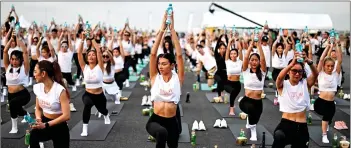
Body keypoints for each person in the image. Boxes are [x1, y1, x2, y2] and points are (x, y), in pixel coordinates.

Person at [146, 11, 184, 148]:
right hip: (155, 120)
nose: (160, 66)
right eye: (159, 64)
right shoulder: (155, 77)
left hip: (172, 121)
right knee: (161, 133)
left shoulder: (177, 79)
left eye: (164, 64)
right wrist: (162, 29)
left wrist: (172, 29)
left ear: (172, 65)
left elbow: (179, 55)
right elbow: (152, 54)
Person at [272, 52, 318, 148]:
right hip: (286, 124)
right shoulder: (283, 85)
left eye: (300, 71)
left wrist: (308, 62)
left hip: (301, 126)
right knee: (279, 136)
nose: (297, 74)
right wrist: (291, 64)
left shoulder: (305, 84)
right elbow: (280, 77)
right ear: (288, 71)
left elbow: (315, 74)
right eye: (294, 71)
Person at [29, 61, 70, 148]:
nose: (34, 74)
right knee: (33, 137)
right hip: (44, 121)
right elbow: (38, 108)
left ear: (43, 73)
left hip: (59, 126)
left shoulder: (60, 90)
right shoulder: (37, 87)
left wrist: (46, 125)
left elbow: (66, 116)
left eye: (35, 71)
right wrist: (38, 119)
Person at [77, 30, 110, 137]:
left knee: (103, 110)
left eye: (93, 55)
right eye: (89, 55)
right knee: (87, 104)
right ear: (87, 57)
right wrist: (82, 39)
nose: (91, 56)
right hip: (88, 94)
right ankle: (85, 128)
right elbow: (79, 54)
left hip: (99, 95)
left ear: (96, 57)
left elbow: (99, 51)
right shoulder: (84, 67)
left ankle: (106, 115)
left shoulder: (99, 66)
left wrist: (91, 38)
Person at [239, 34, 267, 141]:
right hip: (246, 101)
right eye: (252, 60)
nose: (254, 62)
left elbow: (263, 59)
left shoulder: (263, 73)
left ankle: (250, 123)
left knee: (255, 117)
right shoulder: (246, 71)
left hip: (258, 102)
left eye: (256, 60)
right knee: (251, 113)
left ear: (259, 62)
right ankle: (253, 132)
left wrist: (259, 45)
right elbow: (245, 57)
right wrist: (251, 46)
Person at [314, 41, 342, 143]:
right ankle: (324, 133)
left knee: (327, 118)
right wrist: (328, 46)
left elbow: (339, 60)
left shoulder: (335, 74)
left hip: (330, 103)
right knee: (326, 118)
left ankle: (325, 131)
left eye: (331, 66)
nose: (330, 68)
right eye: (328, 66)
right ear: (324, 66)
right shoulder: (320, 73)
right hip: (320, 102)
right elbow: (321, 59)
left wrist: (337, 45)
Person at [3, 36, 30, 133]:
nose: (14, 61)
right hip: (11, 94)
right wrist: (10, 39)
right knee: (16, 110)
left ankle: (15, 127)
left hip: (23, 94)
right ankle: (25, 115)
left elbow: (26, 52)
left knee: (13, 104)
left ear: (21, 60)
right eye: (12, 59)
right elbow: (5, 51)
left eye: (17, 59)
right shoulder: (8, 66)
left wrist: (19, 39)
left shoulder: (24, 68)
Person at [224, 36, 243, 115]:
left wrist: (237, 41)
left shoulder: (240, 61)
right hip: (228, 83)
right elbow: (228, 50)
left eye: (235, 53)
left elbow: (241, 50)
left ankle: (232, 105)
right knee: (232, 94)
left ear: (237, 54)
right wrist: (229, 42)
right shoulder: (227, 61)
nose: (233, 55)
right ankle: (231, 110)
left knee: (233, 95)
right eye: (231, 54)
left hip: (237, 84)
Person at [271, 36, 288, 100]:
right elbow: (273, 46)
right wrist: (277, 39)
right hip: (276, 71)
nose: (280, 49)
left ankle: (282, 95)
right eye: (278, 48)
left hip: (283, 71)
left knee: (283, 83)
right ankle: (277, 92)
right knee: (278, 82)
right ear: (276, 49)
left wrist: (283, 37)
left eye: (281, 48)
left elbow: (287, 45)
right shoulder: (274, 54)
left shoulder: (284, 54)